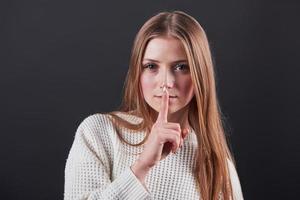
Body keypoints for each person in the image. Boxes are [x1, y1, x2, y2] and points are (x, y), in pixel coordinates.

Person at [64, 10, 244, 200]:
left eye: (181, 67)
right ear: (137, 72)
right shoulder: (99, 132)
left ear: (200, 75)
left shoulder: (218, 167)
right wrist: (142, 166)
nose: (166, 81)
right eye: (151, 66)